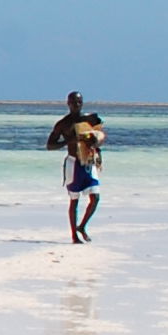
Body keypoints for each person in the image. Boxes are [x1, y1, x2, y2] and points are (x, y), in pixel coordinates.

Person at [46, 92, 104, 243]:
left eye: (79, 102)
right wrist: (68, 141)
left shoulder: (88, 119)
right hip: (73, 164)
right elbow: (50, 145)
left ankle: (82, 226)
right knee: (74, 200)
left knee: (95, 198)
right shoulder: (63, 124)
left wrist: (96, 144)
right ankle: (74, 236)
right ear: (68, 104)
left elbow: (101, 135)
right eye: (73, 103)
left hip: (88, 161)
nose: (76, 105)